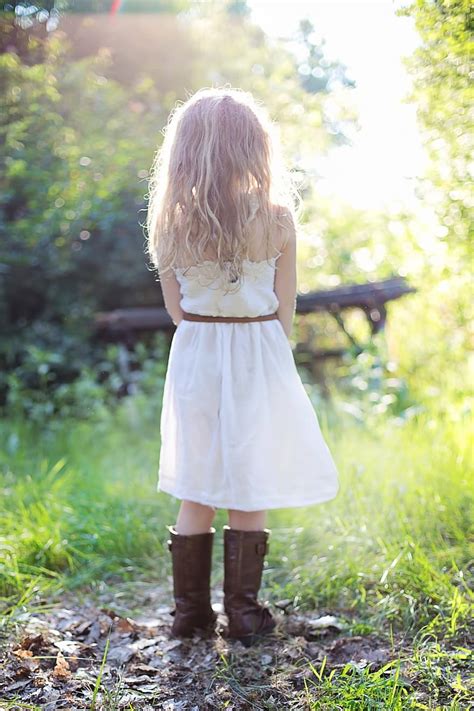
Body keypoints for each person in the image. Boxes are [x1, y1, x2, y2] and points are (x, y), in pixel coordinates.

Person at [145, 87, 340, 647]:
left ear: (184, 154)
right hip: (258, 352)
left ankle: (189, 616)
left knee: (195, 483)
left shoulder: (170, 223)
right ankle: (245, 615)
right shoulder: (278, 220)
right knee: (249, 481)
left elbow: (177, 312)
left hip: (198, 354)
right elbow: (286, 309)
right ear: (255, 148)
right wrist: (262, 352)